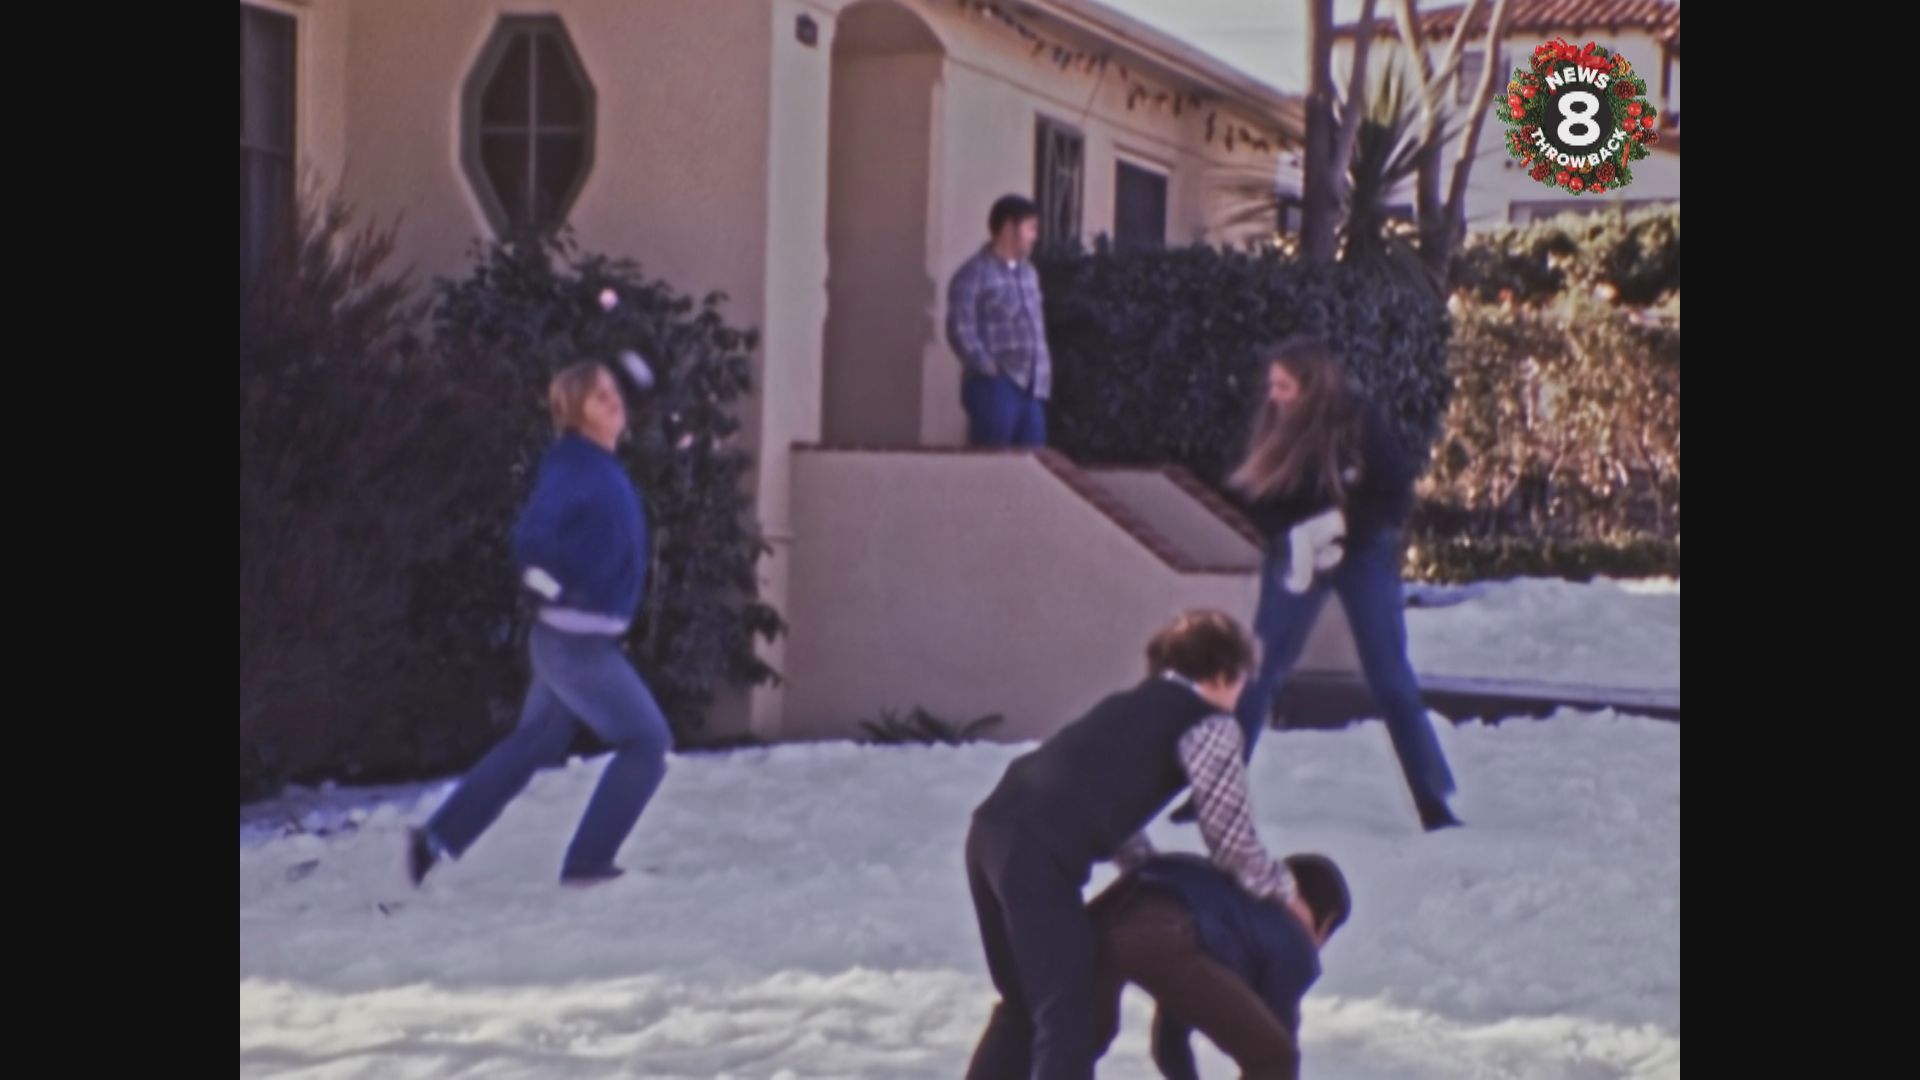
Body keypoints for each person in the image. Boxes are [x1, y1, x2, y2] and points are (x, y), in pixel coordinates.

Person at [965, 611, 1314, 1080]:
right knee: (1071, 1007)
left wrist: (1145, 868)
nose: (1239, 698)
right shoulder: (1209, 725)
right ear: (1225, 673)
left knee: (1025, 1003)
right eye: (1242, 684)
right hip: (1036, 855)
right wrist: (1283, 889)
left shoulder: (1129, 706)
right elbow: (1229, 837)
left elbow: (1092, 792)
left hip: (989, 833)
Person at [407, 360, 673, 887]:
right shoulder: (576, 465)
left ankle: (434, 840)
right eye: (598, 397)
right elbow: (532, 539)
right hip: (576, 644)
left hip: (569, 639)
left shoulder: (595, 464)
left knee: (534, 744)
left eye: (612, 391)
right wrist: (554, 588)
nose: (613, 400)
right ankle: (588, 862)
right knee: (646, 742)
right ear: (573, 414)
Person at [1225, 336, 1460, 831]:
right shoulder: (1274, 426)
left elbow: (1394, 492)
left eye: (1285, 387)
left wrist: (1345, 531)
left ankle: (1431, 798)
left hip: (1362, 552)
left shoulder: (1358, 423)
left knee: (1389, 675)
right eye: (1273, 386)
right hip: (1298, 549)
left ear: (1311, 386)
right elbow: (1256, 494)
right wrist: (1294, 535)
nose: (1275, 396)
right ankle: (1215, 791)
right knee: (1261, 669)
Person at [1089, 852, 1351, 1080]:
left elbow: (1169, 1046)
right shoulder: (1294, 945)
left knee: (1080, 1042)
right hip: (1166, 931)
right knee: (1276, 1060)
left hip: (1107, 911)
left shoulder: (1225, 914)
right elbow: (1277, 1049)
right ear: (1325, 924)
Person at [946, 194, 1053, 448]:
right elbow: (959, 328)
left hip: (1033, 388)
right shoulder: (973, 273)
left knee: (1031, 467)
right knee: (992, 464)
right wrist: (988, 368)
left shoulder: (1029, 274)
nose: (1035, 236)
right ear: (1009, 227)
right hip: (996, 387)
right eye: (1031, 228)